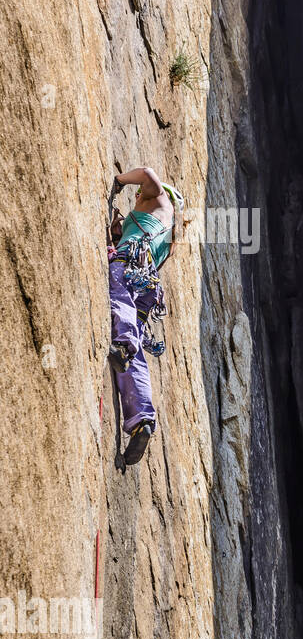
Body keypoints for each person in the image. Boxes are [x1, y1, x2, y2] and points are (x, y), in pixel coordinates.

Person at [107, 167, 182, 465]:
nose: (137, 198)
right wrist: (117, 234)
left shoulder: (160, 201)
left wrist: (120, 181)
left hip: (132, 262)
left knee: (118, 288)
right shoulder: (170, 238)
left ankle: (124, 344)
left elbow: (148, 175)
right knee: (134, 344)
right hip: (148, 283)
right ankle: (142, 419)